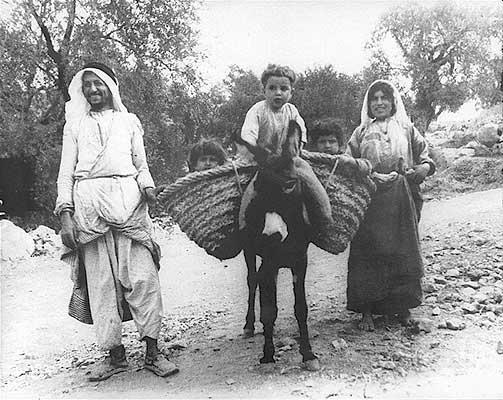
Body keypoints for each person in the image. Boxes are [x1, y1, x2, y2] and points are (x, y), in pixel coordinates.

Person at [55, 62, 178, 380]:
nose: (94, 90)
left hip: (129, 205)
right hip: (89, 209)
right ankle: (115, 356)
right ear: (82, 91)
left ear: (111, 86)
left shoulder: (129, 121)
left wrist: (149, 189)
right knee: (101, 286)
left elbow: (141, 165)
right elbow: (66, 172)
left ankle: (152, 352)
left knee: (143, 279)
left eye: (99, 84)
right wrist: (66, 215)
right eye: (88, 85)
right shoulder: (75, 126)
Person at [345, 79, 435, 331]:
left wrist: (422, 169)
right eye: (374, 98)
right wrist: (360, 171)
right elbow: (347, 160)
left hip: (401, 196)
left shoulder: (406, 128)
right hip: (369, 198)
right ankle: (367, 312)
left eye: (384, 97)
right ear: (368, 103)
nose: (380, 102)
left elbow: (426, 156)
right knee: (367, 252)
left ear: (393, 101)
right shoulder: (360, 132)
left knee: (402, 250)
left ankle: (402, 307)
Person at [238, 64, 333, 232]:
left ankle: (324, 216)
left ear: (291, 92)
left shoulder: (292, 110)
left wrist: (294, 153)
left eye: (284, 88)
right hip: (264, 161)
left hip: (288, 159)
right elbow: (249, 137)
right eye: (272, 88)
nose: (278, 93)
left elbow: (301, 134)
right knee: (252, 188)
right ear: (264, 91)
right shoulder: (258, 110)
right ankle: (243, 223)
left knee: (309, 177)